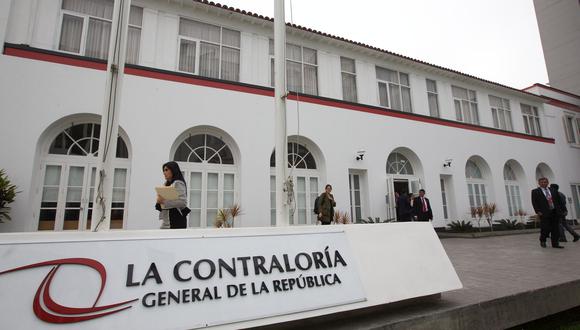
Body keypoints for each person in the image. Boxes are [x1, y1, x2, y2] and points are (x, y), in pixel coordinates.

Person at [531, 177, 564, 248]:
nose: (543, 183)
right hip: (544, 213)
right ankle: (543, 240)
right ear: (539, 183)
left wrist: (563, 210)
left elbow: (559, 201)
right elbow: (534, 202)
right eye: (542, 182)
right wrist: (538, 211)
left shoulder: (553, 190)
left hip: (555, 212)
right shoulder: (535, 191)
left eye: (545, 182)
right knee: (545, 228)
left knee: (555, 229)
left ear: (547, 182)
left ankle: (555, 244)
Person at [156, 161, 188, 229]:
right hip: (167, 221)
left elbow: (183, 202)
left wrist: (164, 202)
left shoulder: (178, 183)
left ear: (173, 170)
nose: (164, 172)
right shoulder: (166, 184)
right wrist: (159, 202)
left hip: (176, 221)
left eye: (166, 170)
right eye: (163, 170)